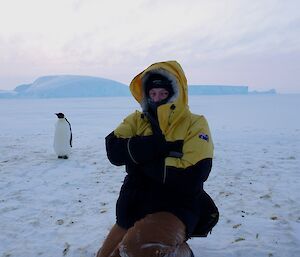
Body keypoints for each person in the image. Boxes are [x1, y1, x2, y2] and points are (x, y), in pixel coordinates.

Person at [97, 60, 214, 257]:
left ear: (176, 93)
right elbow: (114, 151)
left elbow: (192, 175)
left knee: (136, 249)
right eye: (152, 93)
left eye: (163, 93)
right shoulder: (136, 120)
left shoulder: (195, 124)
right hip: (135, 208)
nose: (157, 99)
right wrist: (159, 146)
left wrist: (138, 161)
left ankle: (180, 252)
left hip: (175, 207)